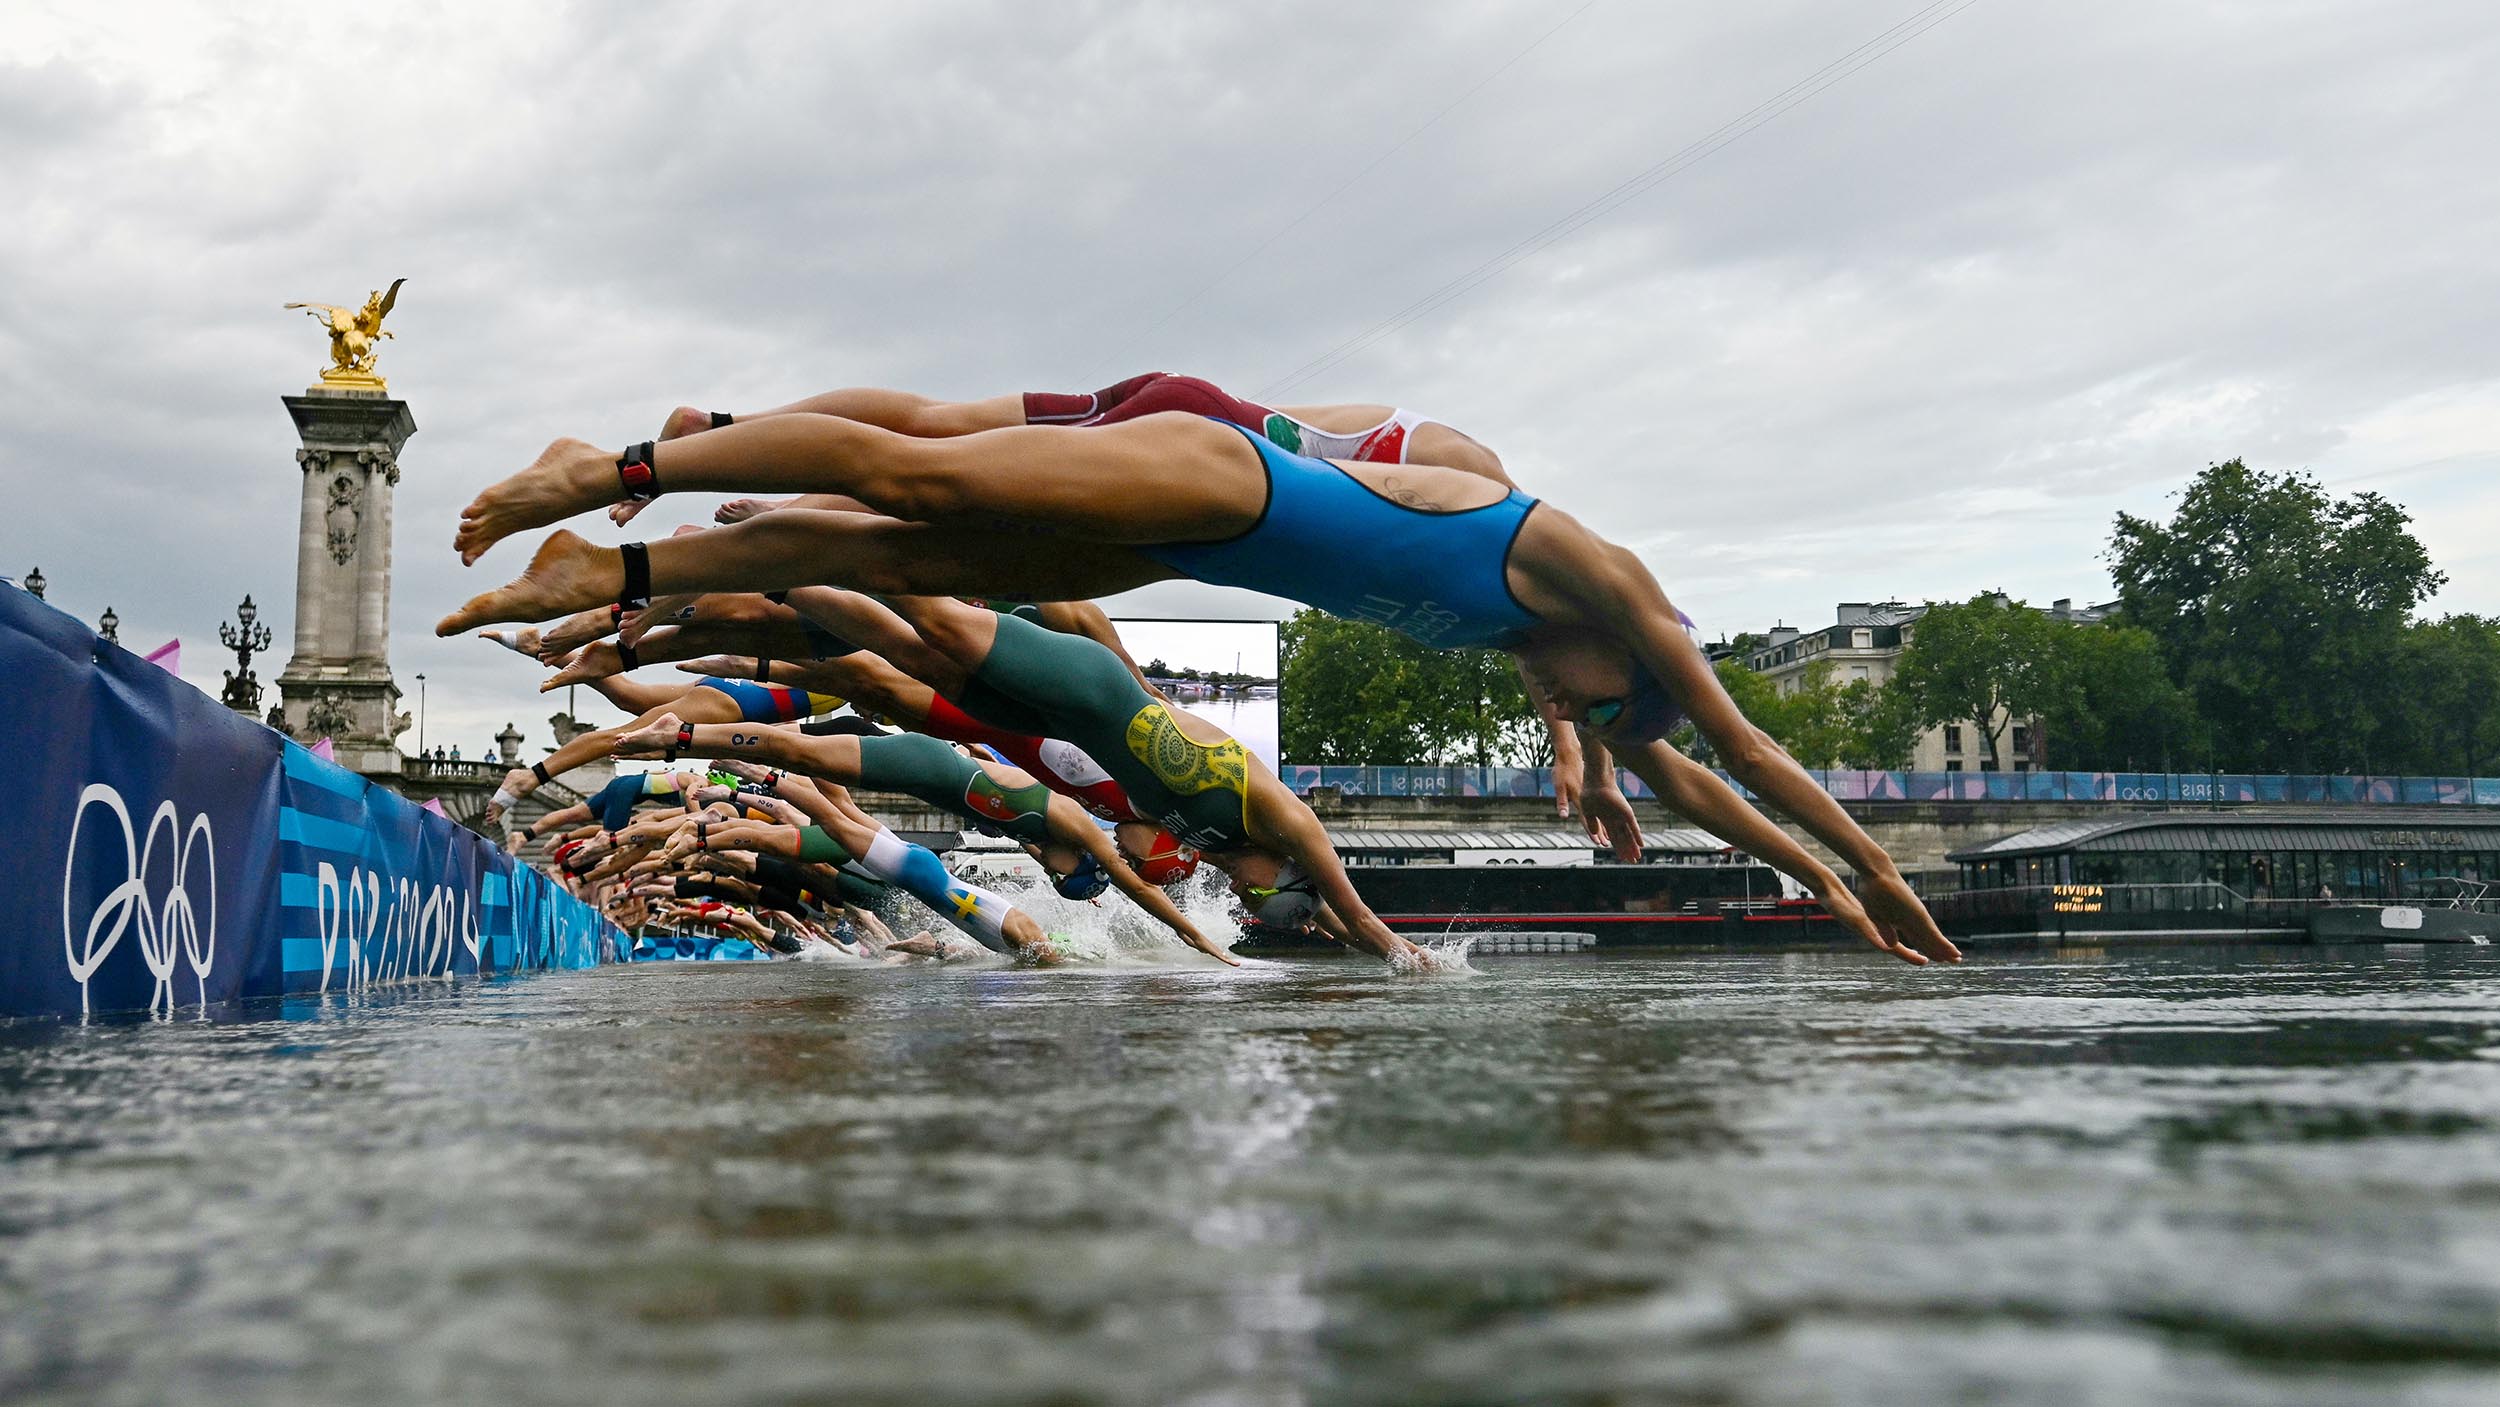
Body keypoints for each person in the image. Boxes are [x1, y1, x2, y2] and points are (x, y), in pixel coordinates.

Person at [442, 409, 1959, 965]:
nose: (1572, 712)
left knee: (912, 543)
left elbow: (1694, 774)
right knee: (914, 480)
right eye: (1606, 709)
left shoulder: (1554, 661)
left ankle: (622, 578)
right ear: (1637, 650)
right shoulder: (1598, 575)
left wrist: (1815, 888)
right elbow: (1742, 740)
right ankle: (625, 472)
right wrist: (1876, 858)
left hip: (1195, 540)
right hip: (1217, 466)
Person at [610, 715, 1237, 964]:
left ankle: (734, 775)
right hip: (934, 772)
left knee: (833, 811)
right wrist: (1198, 938)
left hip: (937, 803)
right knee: (822, 797)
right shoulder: (1075, 826)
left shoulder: (1045, 843)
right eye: (1063, 874)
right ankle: (697, 741)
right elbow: (1130, 885)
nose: (1052, 874)